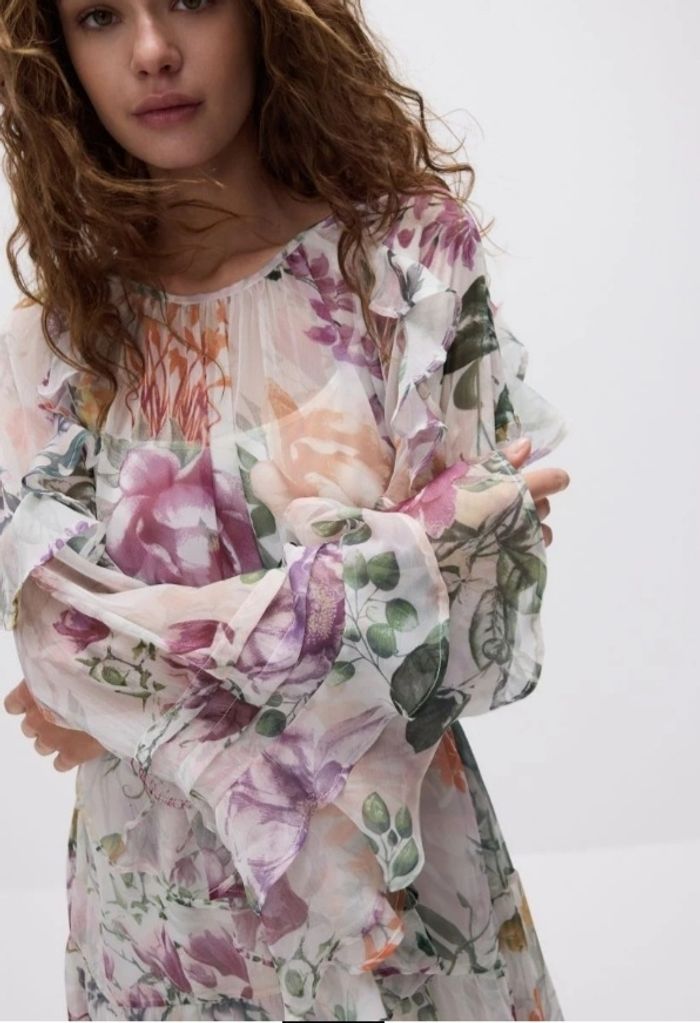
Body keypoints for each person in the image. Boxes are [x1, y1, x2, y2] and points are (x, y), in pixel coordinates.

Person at [0, 0, 571, 1019]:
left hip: (398, 905)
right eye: (99, 15)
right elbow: (56, 641)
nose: (151, 51)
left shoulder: (407, 268)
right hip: (163, 926)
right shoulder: (59, 342)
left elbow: (470, 622)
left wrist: (138, 695)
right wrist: (404, 556)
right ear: (57, 55)